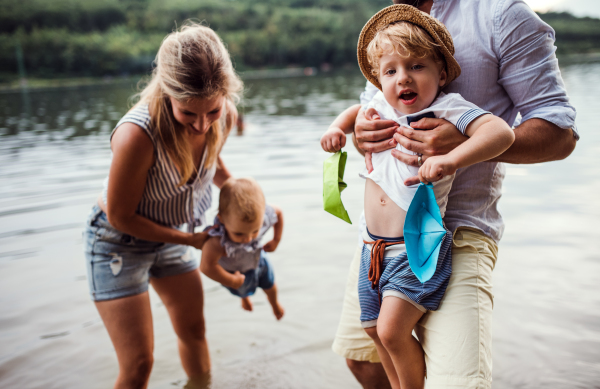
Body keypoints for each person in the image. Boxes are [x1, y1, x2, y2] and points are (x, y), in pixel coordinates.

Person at [331, 1, 578, 388]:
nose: (403, 78)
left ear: (442, 72)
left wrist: (460, 145)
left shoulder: (500, 15)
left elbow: (560, 134)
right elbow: (368, 110)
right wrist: (359, 132)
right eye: (393, 71)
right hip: (375, 241)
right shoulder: (390, 26)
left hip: (451, 233)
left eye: (415, 67)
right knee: (364, 355)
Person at [83, 22, 242, 388]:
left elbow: (212, 163)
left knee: (194, 331)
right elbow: (120, 215)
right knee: (139, 363)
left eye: (212, 112)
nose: (202, 125)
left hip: (176, 235)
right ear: (167, 93)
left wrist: (239, 194)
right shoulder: (136, 135)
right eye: (188, 114)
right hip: (117, 242)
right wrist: (189, 241)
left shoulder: (226, 115)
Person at [200, 177, 285, 320]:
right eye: (239, 233)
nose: (248, 239)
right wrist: (231, 280)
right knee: (243, 290)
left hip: (259, 260)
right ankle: (244, 298)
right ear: (221, 219)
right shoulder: (217, 241)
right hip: (235, 272)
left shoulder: (262, 216)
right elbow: (206, 267)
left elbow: (279, 213)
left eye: (255, 231)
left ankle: (274, 303)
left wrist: (276, 240)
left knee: (270, 285)